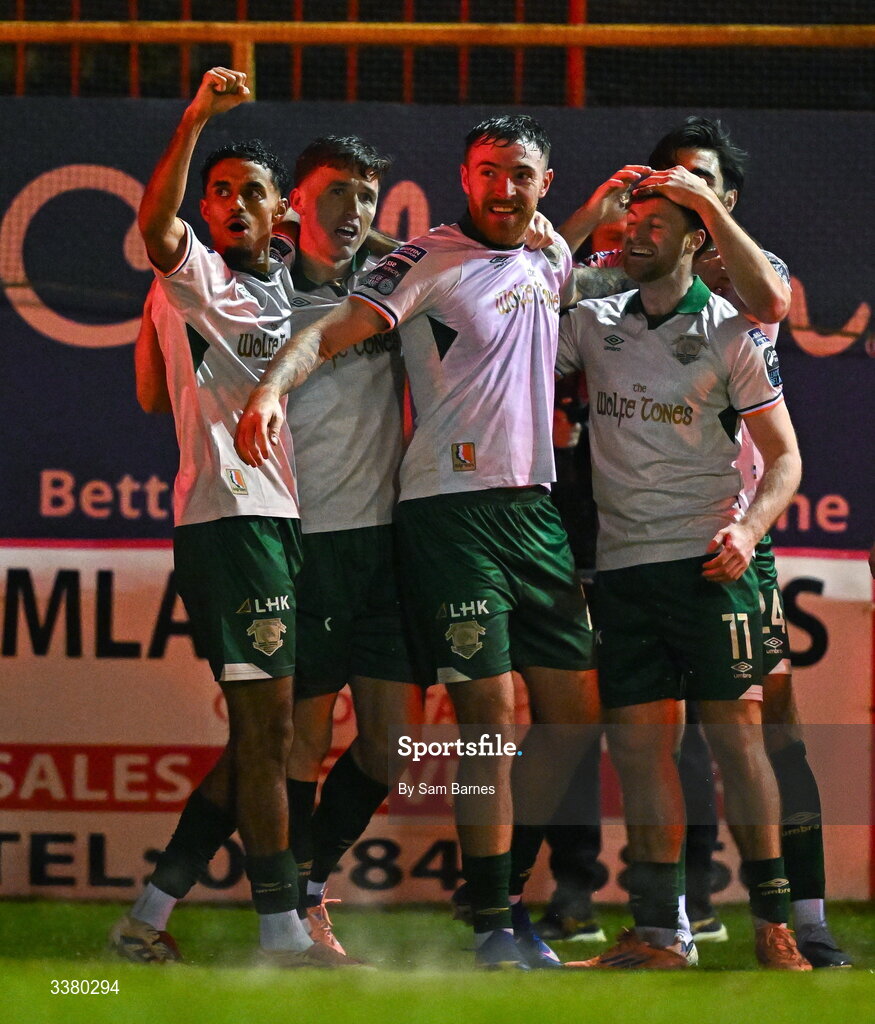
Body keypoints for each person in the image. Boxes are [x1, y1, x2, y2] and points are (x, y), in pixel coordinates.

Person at [235, 115, 605, 970]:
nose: (502, 188)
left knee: (572, 721)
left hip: (537, 512)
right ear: (463, 178)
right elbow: (326, 332)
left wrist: (592, 218)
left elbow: (560, 266)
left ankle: (492, 891)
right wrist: (270, 391)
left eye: (519, 174)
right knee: (486, 722)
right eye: (486, 173)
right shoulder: (422, 260)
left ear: (542, 184)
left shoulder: (551, 258)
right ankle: (492, 925)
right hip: (448, 510)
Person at [109, 67, 357, 968]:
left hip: (275, 521)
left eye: (251, 191)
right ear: (206, 211)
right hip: (230, 519)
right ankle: (280, 930)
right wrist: (195, 118)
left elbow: (145, 394)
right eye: (219, 193)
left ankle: (146, 917)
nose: (234, 204)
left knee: (270, 733)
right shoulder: (195, 277)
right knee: (271, 733)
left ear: (275, 208)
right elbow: (154, 229)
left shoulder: (282, 285)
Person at [557, 188, 809, 970]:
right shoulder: (594, 323)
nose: (634, 238)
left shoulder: (733, 332)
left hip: (708, 562)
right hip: (624, 567)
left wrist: (747, 528)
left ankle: (774, 925)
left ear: (697, 241)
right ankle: (661, 934)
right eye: (629, 226)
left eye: (653, 227)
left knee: (737, 747)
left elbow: (786, 458)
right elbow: (519, 311)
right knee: (638, 754)